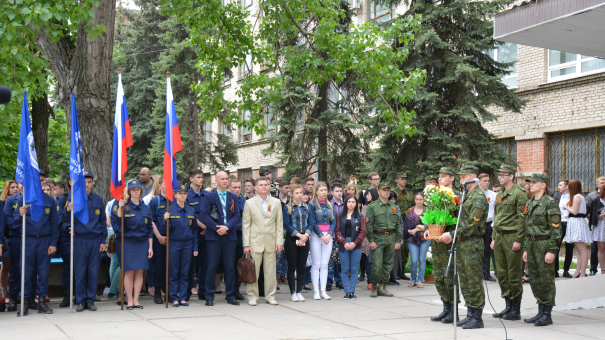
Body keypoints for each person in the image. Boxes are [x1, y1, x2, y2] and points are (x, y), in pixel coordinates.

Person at [63, 170, 108, 311]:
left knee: (93, 271)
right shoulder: (73, 199)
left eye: (89, 182)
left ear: (93, 183)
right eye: (84, 182)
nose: (87, 185)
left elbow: (102, 222)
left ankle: (90, 299)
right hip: (80, 240)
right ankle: (81, 300)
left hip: (94, 240)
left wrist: (103, 241)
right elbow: (63, 222)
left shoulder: (98, 199)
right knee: (80, 271)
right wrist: (68, 212)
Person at [522, 173, 561, 327]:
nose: (530, 185)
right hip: (531, 245)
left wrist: (552, 250)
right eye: (530, 183)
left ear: (543, 185)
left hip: (544, 245)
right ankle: (540, 310)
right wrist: (525, 248)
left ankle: (547, 314)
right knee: (535, 280)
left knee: (546, 280)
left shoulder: (550, 203)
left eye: (534, 182)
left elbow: (556, 229)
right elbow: (527, 227)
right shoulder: (530, 202)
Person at [490, 164, 528, 321]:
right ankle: (508, 305)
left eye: (503, 175)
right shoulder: (500, 193)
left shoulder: (520, 194)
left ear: (511, 176)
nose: (500, 177)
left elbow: (522, 219)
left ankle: (516, 309)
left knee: (513, 273)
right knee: (502, 273)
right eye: (499, 175)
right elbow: (497, 216)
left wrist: (519, 240)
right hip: (499, 237)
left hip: (512, 237)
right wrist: (493, 237)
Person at [452, 165, 488, 329]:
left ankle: (477, 317)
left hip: (472, 242)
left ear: (473, 176)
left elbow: (473, 225)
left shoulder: (478, 197)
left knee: (473, 279)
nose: (461, 181)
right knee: (465, 279)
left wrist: (452, 234)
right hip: (463, 242)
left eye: (463, 177)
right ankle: (470, 314)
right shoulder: (467, 195)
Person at [15, 185, 60, 315]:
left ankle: (41, 302)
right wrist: (20, 214)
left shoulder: (49, 200)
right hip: (28, 240)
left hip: (44, 241)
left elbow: (54, 223)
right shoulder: (23, 199)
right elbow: (14, 222)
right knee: (26, 272)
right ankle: (24, 303)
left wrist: (53, 243)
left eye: (41, 180)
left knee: (43, 272)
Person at [198, 171, 241, 306]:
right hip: (214, 237)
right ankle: (209, 295)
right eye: (222, 179)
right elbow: (203, 216)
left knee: (230, 267)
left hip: (229, 236)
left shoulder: (233, 196)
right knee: (211, 267)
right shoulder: (209, 196)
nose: (224, 181)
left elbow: (237, 216)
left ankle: (230, 295)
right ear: (216, 181)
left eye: (226, 178)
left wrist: (226, 227)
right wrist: (217, 228)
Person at [113, 179, 154, 310]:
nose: (136, 192)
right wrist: (120, 208)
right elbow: (119, 223)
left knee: (140, 272)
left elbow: (149, 228)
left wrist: (150, 246)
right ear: (129, 192)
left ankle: (136, 300)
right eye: (133, 190)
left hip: (142, 242)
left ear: (141, 191)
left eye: (138, 189)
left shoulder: (145, 208)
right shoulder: (124, 205)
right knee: (129, 272)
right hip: (127, 242)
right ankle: (129, 299)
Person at [243, 177, 283, 305]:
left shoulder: (276, 202)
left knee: (270, 271)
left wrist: (279, 242)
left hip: (271, 241)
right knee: (253, 270)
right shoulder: (249, 203)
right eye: (261, 185)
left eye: (266, 184)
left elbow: (279, 224)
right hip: (255, 241)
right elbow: (246, 225)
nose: (264, 187)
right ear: (255, 187)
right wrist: (246, 244)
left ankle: (270, 296)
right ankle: (252, 296)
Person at [428, 167, 461, 324]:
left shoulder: (457, 198)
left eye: (443, 176)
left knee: (449, 277)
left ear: (452, 178)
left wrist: (450, 234)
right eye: (439, 176)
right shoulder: (435, 197)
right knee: (439, 278)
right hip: (437, 243)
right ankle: (446, 308)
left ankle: (454, 311)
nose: (440, 179)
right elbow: (431, 217)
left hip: (449, 242)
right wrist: (428, 230)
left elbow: (461, 222)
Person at [365, 182, 403, 298]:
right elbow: (369, 225)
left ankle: (383, 287)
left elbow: (398, 225)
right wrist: (371, 240)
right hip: (378, 238)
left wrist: (398, 240)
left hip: (391, 238)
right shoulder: (373, 206)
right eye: (384, 190)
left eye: (388, 190)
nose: (386, 192)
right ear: (379, 192)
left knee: (388, 264)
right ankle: (374, 287)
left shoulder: (394, 207)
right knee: (376, 265)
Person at [162, 185, 198, 307]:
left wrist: (195, 247)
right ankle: (174, 297)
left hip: (187, 243)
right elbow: (166, 230)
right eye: (180, 193)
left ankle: (182, 297)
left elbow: (194, 231)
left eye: (184, 193)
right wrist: (165, 220)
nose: (183, 195)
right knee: (173, 271)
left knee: (184, 271)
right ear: (175, 195)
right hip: (174, 243)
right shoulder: (169, 210)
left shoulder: (191, 210)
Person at [282, 184, 312, 301]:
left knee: (302, 266)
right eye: (297, 193)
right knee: (292, 265)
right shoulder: (287, 207)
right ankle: (293, 292)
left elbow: (311, 222)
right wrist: (299, 235)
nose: (300, 195)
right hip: (292, 239)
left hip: (305, 238)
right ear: (292, 194)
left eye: (301, 193)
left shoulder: (307, 207)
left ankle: (299, 291)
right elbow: (286, 224)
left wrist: (306, 235)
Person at [308, 181, 337, 300]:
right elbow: (312, 222)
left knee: (325, 264)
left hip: (328, 237)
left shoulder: (330, 205)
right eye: (321, 190)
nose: (324, 192)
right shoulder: (312, 204)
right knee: (316, 264)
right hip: (316, 236)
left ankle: (323, 291)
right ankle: (316, 291)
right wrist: (321, 235)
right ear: (316, 192)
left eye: (325, 190)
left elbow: (333, 221)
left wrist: (329, 234)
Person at [334, 195, 366, 299]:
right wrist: (344, 242)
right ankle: (346, 292)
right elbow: (337, 230)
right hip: (344, 245)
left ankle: (352, 291)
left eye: (353, 201)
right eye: (349, 201)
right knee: (344, 269)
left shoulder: (360, 216)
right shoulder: (339, 216)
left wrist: (355, 243)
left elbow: (362, 232)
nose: (351, 203)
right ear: (345, 203)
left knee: (354, 269)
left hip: (356, 245)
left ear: (356, 203)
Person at [562, 179, 592, 278]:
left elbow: (574, 212)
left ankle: (582, 272)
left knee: (582, 249)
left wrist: (566, 208)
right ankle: (578, 271)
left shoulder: (576, 197)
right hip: (578, 222)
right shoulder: (581, 196)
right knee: (580, 249)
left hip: (576, 222)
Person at [148, 176, 168, 304]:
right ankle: (157, 293)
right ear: (160, 185)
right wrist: (159, 236)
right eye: (166, 183)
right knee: (159, 267)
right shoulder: (155, 201)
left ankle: (168, 292)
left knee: (170, 266)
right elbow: (151, 221)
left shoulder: (174, 201)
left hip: (173, 240)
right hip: (158, 238)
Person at [404, 192, 430, 287]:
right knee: (414, 260)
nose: (419, 201)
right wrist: (420, 227)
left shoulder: (428, 211)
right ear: (414, 200)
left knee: (422, 259)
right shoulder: (410, 211)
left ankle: (420, 280)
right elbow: (408, 226)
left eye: (421, 199)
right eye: (417, 199)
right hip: (412, 239)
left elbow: (430, 226)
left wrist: (416, 228)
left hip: (425, 238)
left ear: (424, 200)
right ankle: (413, 279)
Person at [393, 172, 414, 281]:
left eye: (405, 179)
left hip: (409, 223)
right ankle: (396, 272)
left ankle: (402, 271)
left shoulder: (410, 193)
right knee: (398, 247)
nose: (404, 181)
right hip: (398, 222)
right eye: (402, 179)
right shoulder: (393, 192)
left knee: (406, 247)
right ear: (397, 180)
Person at [228, 178, 247, 300]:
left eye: (239, 187)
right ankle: (228, 290)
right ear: (229, 188)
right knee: (229, 264)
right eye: (234, 187)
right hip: (228, 234)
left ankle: (236, 289)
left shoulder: (244, 201)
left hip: (240, 235)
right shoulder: (226, 200)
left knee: (238, 264)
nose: (237, 190)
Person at [1, 180, 19, 298]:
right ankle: (4, 293)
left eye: (17, 187)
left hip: (16, 236)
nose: (15, 189)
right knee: (6, 266)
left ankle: (14, 292)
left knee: (15, 266)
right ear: (7, 189)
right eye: (12, 187)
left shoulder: (20, 200)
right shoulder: (3, 203)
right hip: (6, 238)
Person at [478, 173, 497, 281]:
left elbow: (496, 211)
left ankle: (486, 273)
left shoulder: (493, 195)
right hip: (477, 225)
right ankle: (478, 272)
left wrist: (494, 224)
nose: (487, 183)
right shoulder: (475, 194)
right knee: (477, 249)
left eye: (488, 180)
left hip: (488, 224)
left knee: (486, 250)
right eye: (485, 180)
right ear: (479, 182)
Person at [327, 182, 345, 291]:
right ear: (332, 192)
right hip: (331, 235)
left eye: (340, 191)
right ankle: (328, 282)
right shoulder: (329, 205)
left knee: (340, 260)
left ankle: (339, 281)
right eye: (337, 191)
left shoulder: (345, 205)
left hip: (342, 237)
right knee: (330, 261)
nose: (339, 193)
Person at [586, 177, 605, 276]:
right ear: (597, 184)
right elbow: (588, 211)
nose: (604, 184)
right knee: (595, 249)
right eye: (602, 182)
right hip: (598, 225)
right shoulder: (592, 196)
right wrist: (594, 218)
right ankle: (594, 268)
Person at [556, 180, 574, 277]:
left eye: (560, 185)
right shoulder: (559, 197)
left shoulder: (572, 197)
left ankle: (566, 270)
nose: (558, 187)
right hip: (560, 224)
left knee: (569, 248)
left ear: (567, 186)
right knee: (556, 247)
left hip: (569, 223)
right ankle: (555, 270)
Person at [276, 179, 290, 285]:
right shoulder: (275, 200)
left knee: (286, 254)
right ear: (280, 188)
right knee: (278, 254)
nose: (288, 190)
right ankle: (276, 275)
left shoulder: (290, 200)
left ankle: (283, 275)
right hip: (278, 228)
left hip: (288, 228)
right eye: (286, 188)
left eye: (289, 187)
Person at [592, 186, 605, 274]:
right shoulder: (597, 201)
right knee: (601, 249)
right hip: (601, 226)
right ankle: (603, 269)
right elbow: (594, 217)